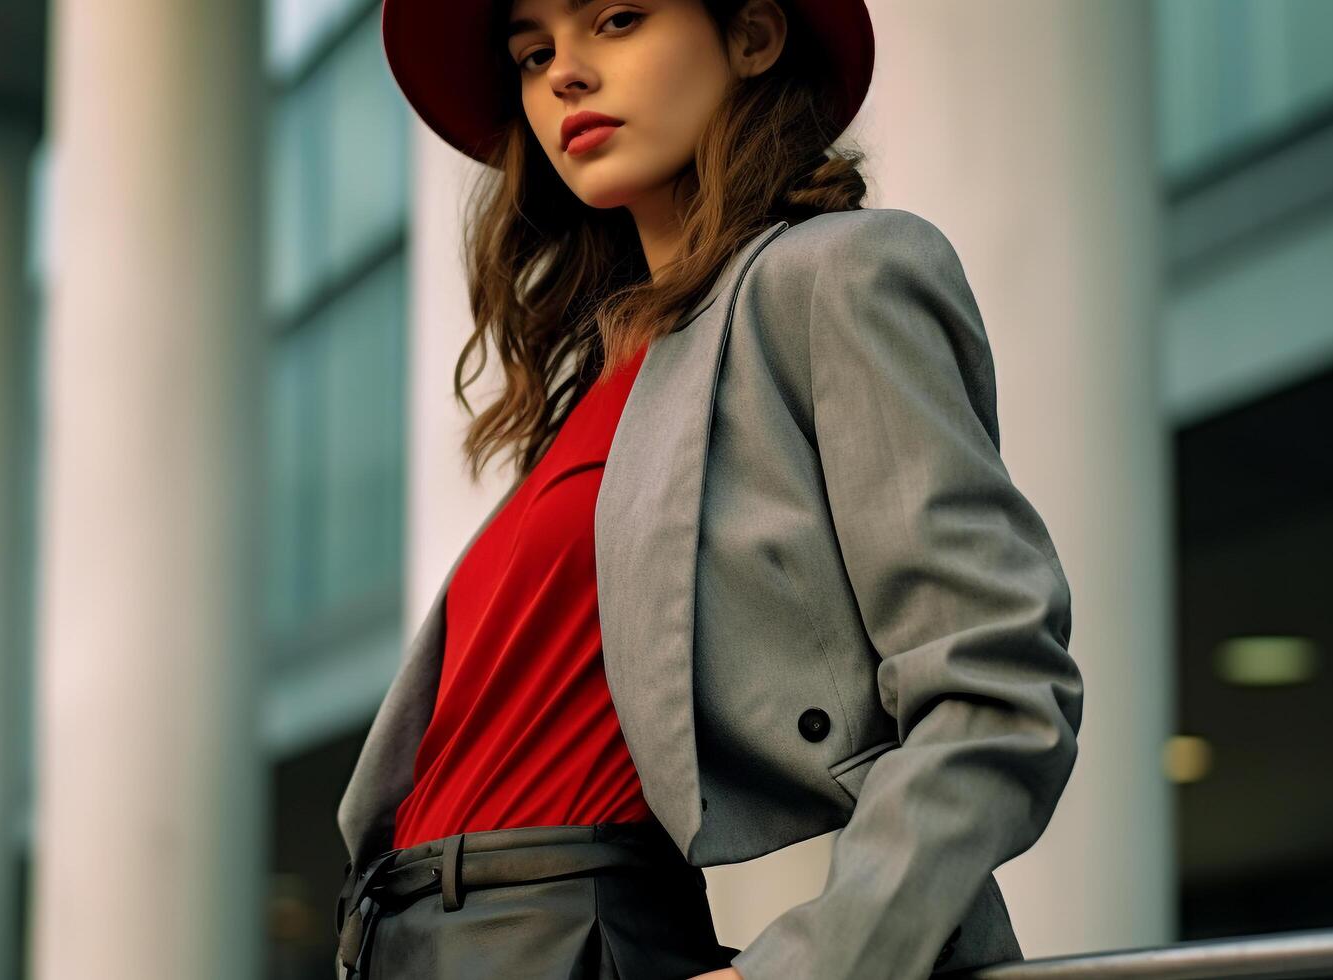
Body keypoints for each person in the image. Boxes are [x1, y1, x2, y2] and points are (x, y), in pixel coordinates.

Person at [335, 0, 1085, 976]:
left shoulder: (835, 276)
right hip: (406, 937)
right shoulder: (605, 385)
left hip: (582, 937)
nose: (562, 73)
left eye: (614, 17)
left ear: (752, 35)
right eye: (530, 51)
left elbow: (997, 688)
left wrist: (809, 964)